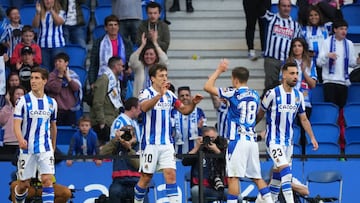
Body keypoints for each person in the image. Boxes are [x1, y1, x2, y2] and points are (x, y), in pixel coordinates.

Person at [204, 59, 273, 203]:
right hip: (251, 141)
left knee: (233, 177)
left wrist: (219, 70)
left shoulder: (232, 93)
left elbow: (207, 86)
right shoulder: (254, 94)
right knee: (257, 177)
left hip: (237, 141)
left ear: (235, 80)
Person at [134, 64, 203, 203]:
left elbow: (184, 110)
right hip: (150, 144)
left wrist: (194, 103)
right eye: (161, 76)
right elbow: (144, 107)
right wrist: (160, 94)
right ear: (153, 78)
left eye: (166, 75)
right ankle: (137, 201)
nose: (165, 78)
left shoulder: (170, 95)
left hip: (167, 144)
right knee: (146, 178)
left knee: (171, 175)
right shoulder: (145, 93)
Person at [256, 62, 318, 203]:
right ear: (284, 75)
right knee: (285, 172)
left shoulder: (298, 96)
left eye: (297, 73)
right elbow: (260, 114)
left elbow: (303, 119)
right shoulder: (272, 93)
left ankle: (262, 201)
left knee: (277, 179)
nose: (295, 76)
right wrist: (249, 128)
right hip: (273, 141)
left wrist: (312, 137)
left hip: (288, 142)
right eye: (292, 73)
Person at [13, 67, 58, 203]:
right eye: (32, 78)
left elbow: (53, 127)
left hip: (45, 147)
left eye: (37, 78)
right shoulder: (23, 101)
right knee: (23, 184)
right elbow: (16, 124)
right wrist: (20, 140)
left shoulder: (51, 103)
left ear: (44, 81)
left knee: (47, 180)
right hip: (28, 148)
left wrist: (53, 147)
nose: (33, 81)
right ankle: (19, 200)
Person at [316, 19, 358, 151]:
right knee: (331, 115)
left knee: (341, 116)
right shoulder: (327, 42)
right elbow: (318, 62)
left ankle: (342, 145)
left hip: (343, 83)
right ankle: (330, 144)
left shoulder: (350, 44)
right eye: (341, 29)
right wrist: (328, 55)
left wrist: (357, 60)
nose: (344, 31)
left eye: (345, 29)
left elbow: (352, 63)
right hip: (329, 82)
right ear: (335, 30)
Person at [260, 0, 303, 96]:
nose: (286, 8)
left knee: (285, 87)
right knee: (270, 87)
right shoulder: (272, 18)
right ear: (278, 7)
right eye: (284, 6)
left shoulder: (295, 25)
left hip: (287, 61)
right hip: (272, 60)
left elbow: (298, 43)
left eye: (288, 6)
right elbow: (259, 9)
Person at [101, 124, 149, 202]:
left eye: (129, 135)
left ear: (134, 137)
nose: (127, 137)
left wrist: (129, 149)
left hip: (136, 181)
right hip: (119, 182)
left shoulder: (140, 147)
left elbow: (138, 165)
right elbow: (101, 154)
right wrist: (115, 140)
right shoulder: (116, 146)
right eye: (125, 135)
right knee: (114, 191)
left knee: (140, 192)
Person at [286, 38, 317, 154]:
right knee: (288, 128)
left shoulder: (310, 63)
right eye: (294, 46)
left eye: (299, 45)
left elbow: (313, 84)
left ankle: (303, 155)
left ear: (303, 48)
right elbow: (282, 82)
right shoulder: (287, 63)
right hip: (289, 101)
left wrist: (304, 71)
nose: (297, 48)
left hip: (305, 101)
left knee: (304, 130)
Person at [181, 126, 228, 203]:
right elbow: (185, 162)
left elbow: (228, 162)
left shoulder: (222, 147)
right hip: (203, 187)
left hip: (221, 187)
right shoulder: (199, 150)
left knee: (237, 196)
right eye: (208, 138)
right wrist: (197, 147)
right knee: (196, 191)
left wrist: (216, 150)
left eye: (213, 138)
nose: (210, 141)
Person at [88, 14, 131, 87]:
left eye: (115, 25)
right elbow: (93, 64)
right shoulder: (99, 43)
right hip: (104, 80)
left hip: (122, 80)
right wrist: (92, 82)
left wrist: (129, 69)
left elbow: (130, 61)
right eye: (110, 25)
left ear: (118, 27)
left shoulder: (126, 43)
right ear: (105, 28)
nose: (113, 27)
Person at [90, 56, 124, 145]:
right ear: (116, 66)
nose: (123, 68)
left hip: (111, 119)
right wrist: (101, 122)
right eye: (121, 66)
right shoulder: (104, 79)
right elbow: (98, 102)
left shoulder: (115, 80)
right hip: (104, 121)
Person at [45, 52, 81, 126]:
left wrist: (68, 78)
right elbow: (56, 89)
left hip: (69, 110)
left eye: (60, 61)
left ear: (66, 63)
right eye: (56, 62)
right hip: (56, 110)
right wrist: (60, 77)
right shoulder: (51, 76)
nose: (57, 63)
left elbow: (76, 88)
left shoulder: (72, 74)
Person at [129, 32, 168, 97]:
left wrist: (155, 43)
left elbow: (164, 60)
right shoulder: (139, 67)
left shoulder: (159, 68)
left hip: (156, 101)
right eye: (146, 54)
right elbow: (132, 61)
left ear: (156, 56)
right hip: (141, 101)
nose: (148, 57)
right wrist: (142, 45)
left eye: (151, 54)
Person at [32, 0, 66, 71]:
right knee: (44, 70)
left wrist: (51, 11)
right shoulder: (40, 13)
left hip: (57, 45)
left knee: (58, 69)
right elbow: (35, 25)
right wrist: (38, 13)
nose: (48, 1)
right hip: (42, 45)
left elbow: (58, 22)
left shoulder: (61, 12)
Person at [173, 86, 207, 154]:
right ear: (178, 98)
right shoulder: (173, 112)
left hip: (195, 150)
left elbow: (205, 130)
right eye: (182, 96)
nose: (185, 97)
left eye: (187, 95)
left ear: (191, 97)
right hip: (177, 150)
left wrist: (200, 128)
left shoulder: (199, 111)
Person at [302, 5, 330, 83]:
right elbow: (301, 46)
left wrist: (321, 4)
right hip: (310, 64)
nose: (313, 17)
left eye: (316, 15)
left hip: (324, 63)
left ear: (320, 16)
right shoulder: (303, 30)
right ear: (308, 17)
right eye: (311, 15)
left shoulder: (327, 27)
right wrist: (307, 52)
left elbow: (336, 16)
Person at [0, 86, 26, 155]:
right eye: (17, 94)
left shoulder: (29, 110)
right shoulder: (7, 108)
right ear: (12, 96)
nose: (20, 96)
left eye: (22, 94)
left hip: (24, 144)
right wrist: (9, 104)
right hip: (10, 143)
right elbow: (1, 120)